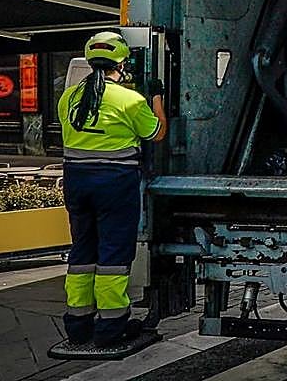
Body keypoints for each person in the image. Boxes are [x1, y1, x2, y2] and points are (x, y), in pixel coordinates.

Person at [59, 31, 167, 347]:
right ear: (122, 63)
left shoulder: (68, 97)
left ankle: (78, 326)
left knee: (82, 252)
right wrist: (156, 98)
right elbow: (157, 133)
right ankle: (110, 328)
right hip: (115, 184)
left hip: (76, 182)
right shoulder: (130, 100)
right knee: (113, 256)